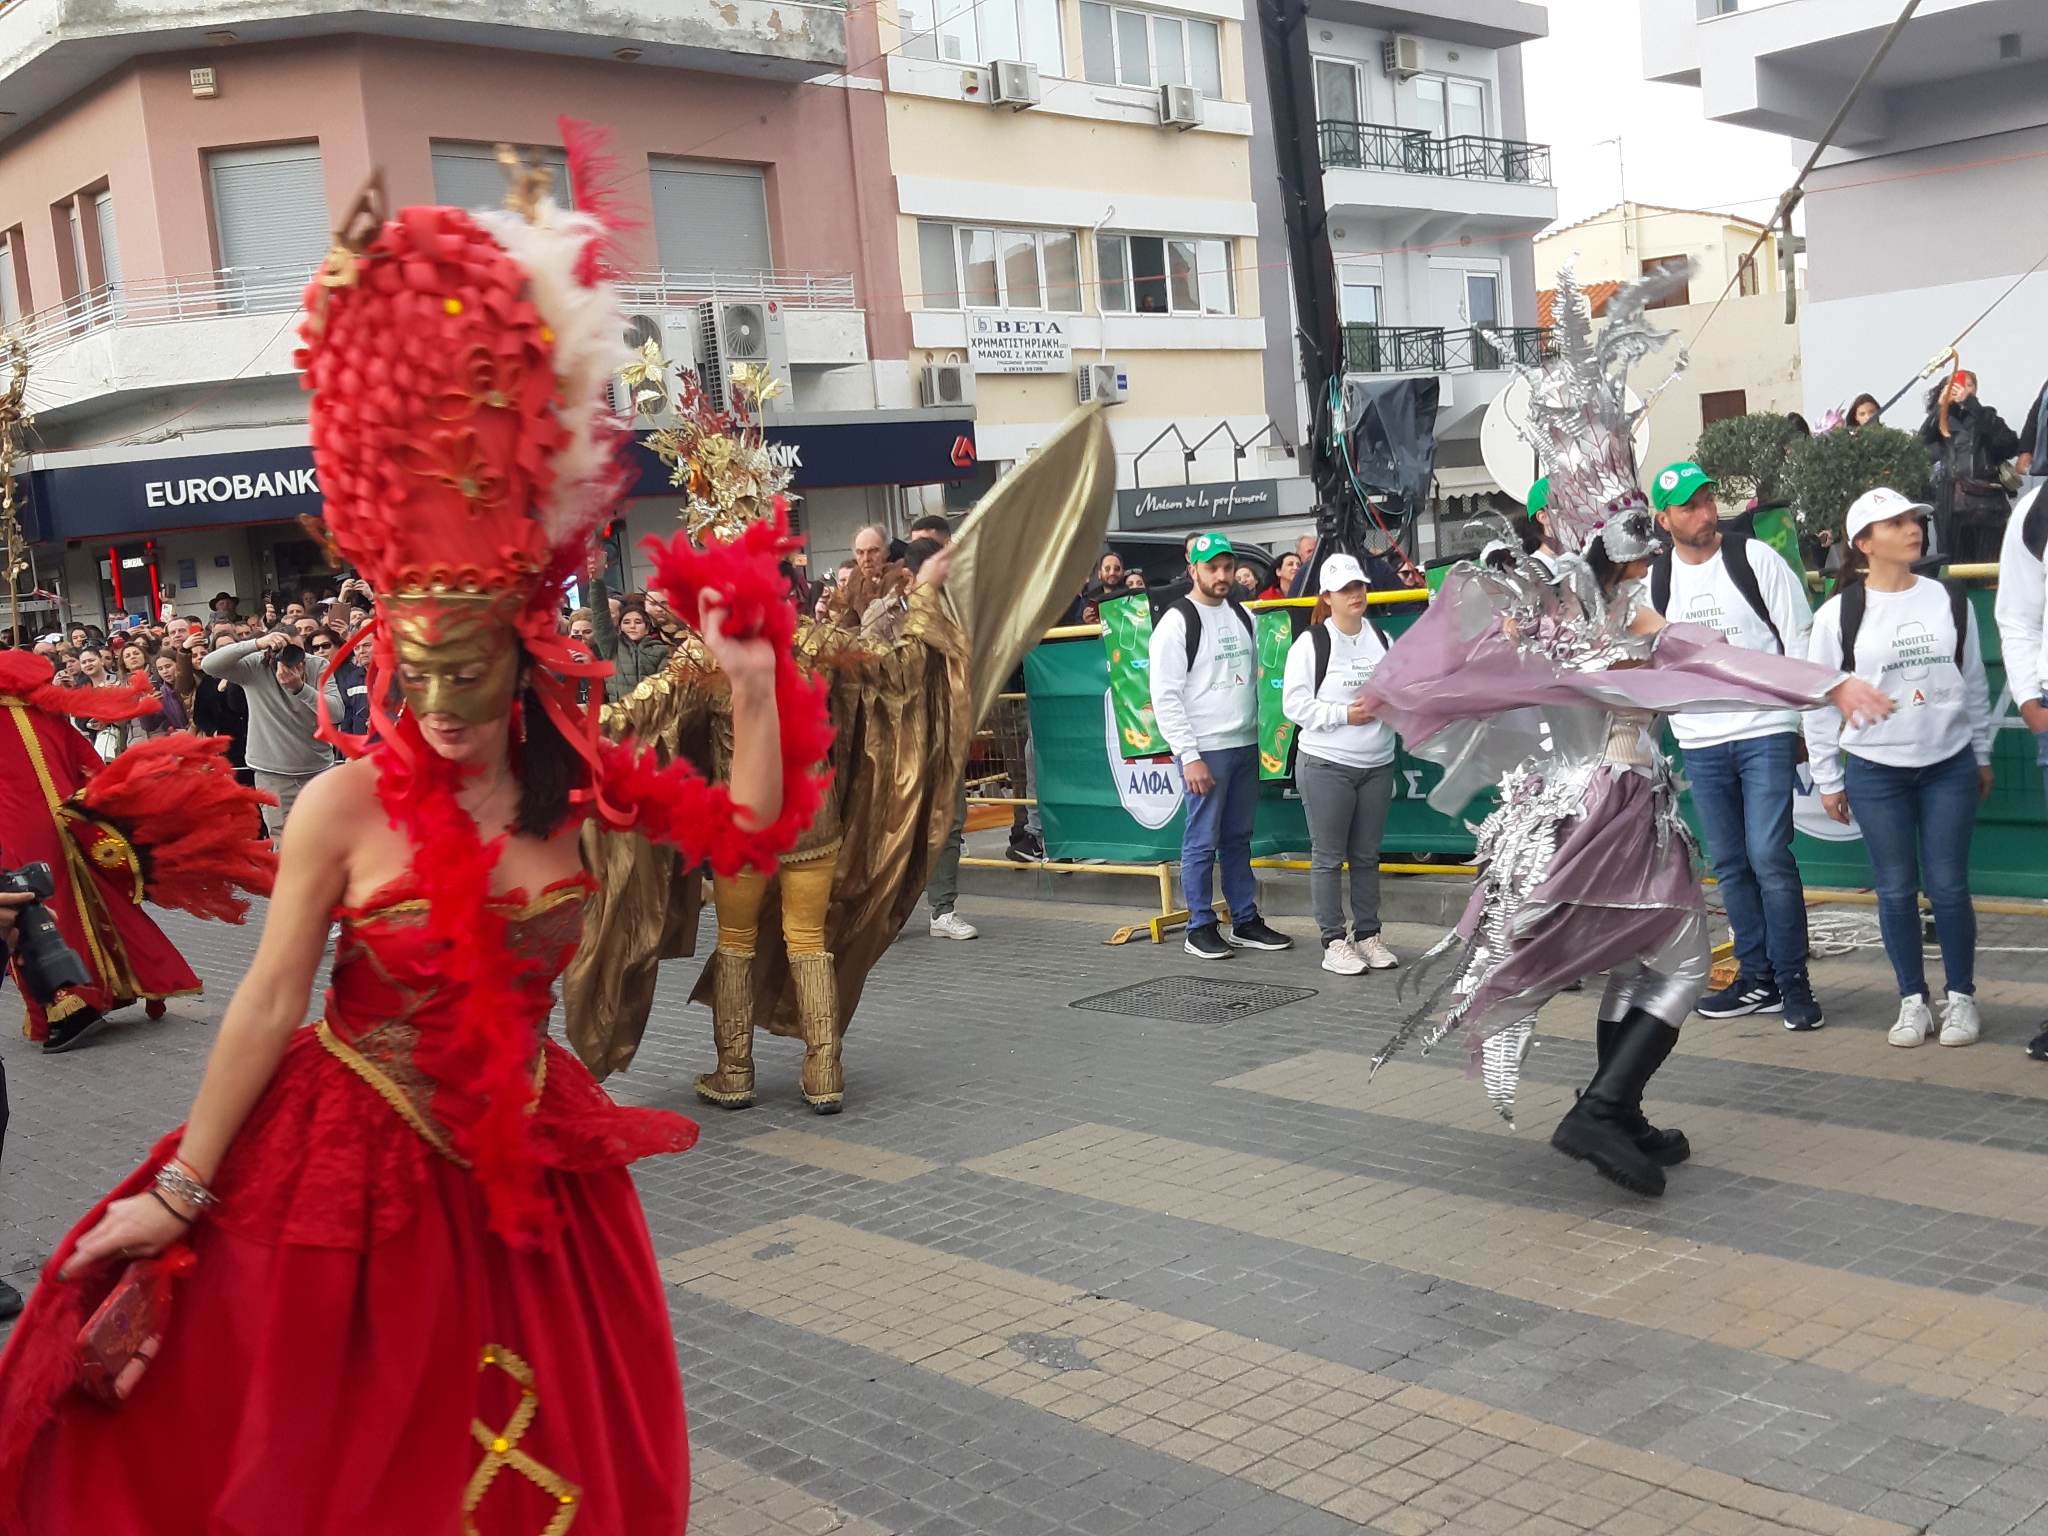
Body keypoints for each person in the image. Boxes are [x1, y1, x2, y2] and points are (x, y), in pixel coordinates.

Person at [0, 165, 831, 1535]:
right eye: (413, 675)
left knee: (560, 1440)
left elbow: (745, 829)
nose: (437, 711)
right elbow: (269, 999)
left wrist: (749, 686)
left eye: (468, 677)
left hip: (532, 1172)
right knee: (357, 1458)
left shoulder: (572, 781)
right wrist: (182, 1190)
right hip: (355, 1172)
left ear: (526, 659)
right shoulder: (344, 803)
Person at [1359, 265, 1890, 1197]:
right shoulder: (1616, 629)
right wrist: (1832, 687)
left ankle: (1620, 1108)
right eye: (1642, 553)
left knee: (1642, 953)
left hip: (1585, 807)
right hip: (1609, 805)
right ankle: (1602, 1110)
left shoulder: (1555, 621)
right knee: (1682, 957)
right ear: (1616, 558)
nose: (1651, 569)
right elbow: (1717, 665)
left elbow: (1455, 663)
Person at [0, 649, 271, 1052]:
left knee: (35, 910)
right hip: (67, 817)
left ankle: (73, 1001)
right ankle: (104, 987)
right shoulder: (41, 708)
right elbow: (87, 761)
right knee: (85, 901)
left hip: (18, 832)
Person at [1806, 487, 1992, 1050]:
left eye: (1915, 520)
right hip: (1875, 769)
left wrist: (1980, 753)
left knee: (1950, 887)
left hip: (1948, 764)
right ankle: (1913, 999)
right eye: (1896, 523)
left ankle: (1961, 997)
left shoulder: (1948, 598)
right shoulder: (1837, 615)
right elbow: (1820, 697)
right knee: (1893, 889)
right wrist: (1829, 777)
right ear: (1863, 543)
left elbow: (1975, 681)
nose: (1913, 529)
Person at [1645, 460, 1824, 1030]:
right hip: (1700, 739)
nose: (1703, 513)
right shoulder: (1657, 580)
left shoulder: (1754, 558)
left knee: (1769, 854)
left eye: (1707, 501)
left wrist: (1800, 724)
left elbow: (1798, 638)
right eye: (1689, 507)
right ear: (1664, 519)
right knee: (1728, 861)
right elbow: (1648, 658)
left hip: (1764, 729)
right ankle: (1756, 978)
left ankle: (1793, 981)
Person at [1148, 531, 1294, 960]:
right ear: (1193, 569)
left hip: (1244, 743)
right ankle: (1199, 925)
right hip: (1205, 749)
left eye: (1227, 567)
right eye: (1212, 567)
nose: (1221, 575)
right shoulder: (1177, 621)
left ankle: (1245, 919)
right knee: (1201, 840)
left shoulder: (1243, 614)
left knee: (1237, 837)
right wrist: (1188, 754)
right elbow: (1165, 694)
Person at [1281, 554, 1397, 976]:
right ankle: (1333, 941)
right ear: (1326, 596)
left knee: (1367, 856)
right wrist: (1346, 715)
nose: (1356, 595)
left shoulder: (1382, 638)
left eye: (1360, 586)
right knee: (1328, 857)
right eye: (1346, 589)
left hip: (1378, 762)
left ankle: (1369, 935)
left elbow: (1401, 688)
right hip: (1327, 764)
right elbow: (1293, 705)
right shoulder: (1312, 642)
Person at [200, 632, 344, 841]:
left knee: (326, 839)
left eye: (297, 651)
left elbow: (336, 713)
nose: (292, 658)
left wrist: (300, 688)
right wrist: (256, 643)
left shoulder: (317, 665)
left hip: (318, 769)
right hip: (273, 773)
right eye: (283, 651)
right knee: (285, 842)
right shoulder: (256, 666)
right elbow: (209, 664)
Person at [1920, 370, 2020, 564]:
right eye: (1955, 384)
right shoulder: (1937, 423)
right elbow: (1920, 448)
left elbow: (2009, 444)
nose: (1961, 388)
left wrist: (1971, 405)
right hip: (1951, 506)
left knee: (1987, 568)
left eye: (1968, 384)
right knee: (1953, 569)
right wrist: (1939, 408)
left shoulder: (1986, 416)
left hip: (1987, 505)